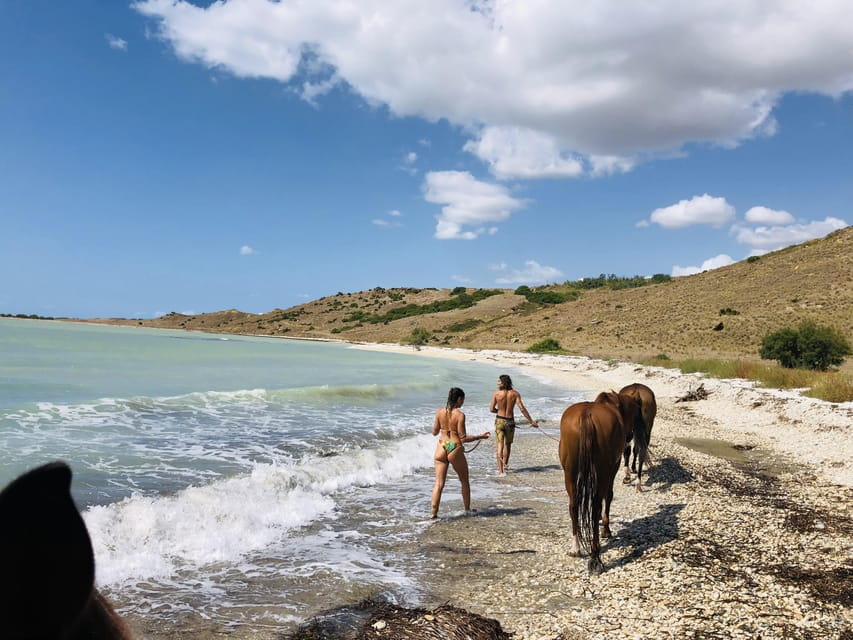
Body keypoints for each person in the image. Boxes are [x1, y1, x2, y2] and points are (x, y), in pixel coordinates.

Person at [431, 387, 490, 519]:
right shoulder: (460, 415)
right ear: (459, 399)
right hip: (454, 447)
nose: (463, 402)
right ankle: (467, 510)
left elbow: (434, 432)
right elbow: (463, 438)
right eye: (462, 400)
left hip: (442, 446)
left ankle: (433, 514)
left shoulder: (439, 412)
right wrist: (479, 437)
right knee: (464, 481)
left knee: (439, 484)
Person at [490, 374, 538, 474]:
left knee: (500, 445)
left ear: (503, 382)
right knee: (508, 445)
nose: (497, 383)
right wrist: (531, 421)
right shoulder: (515, 394)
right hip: (510, 422)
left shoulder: (496, 394)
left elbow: (491, 409)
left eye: (499, 381)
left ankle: (500, 471)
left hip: (499, 421)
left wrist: (498, 411)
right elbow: (522, 408)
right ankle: (505, 466)